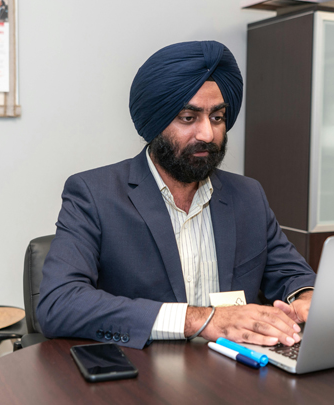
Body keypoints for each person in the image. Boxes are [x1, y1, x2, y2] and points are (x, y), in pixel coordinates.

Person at [37, 41, 316, 350]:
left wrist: (306, 297)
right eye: (188, 117)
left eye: (217, 117)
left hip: (237, 375)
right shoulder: (94, 194)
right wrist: (203, 320)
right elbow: (58, 304)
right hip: (141, 379)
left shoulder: (247, 195)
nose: (207, 134)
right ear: (155, 123)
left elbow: (292, 273)